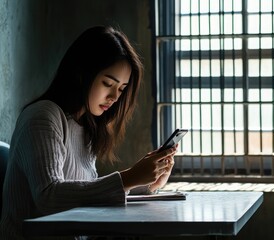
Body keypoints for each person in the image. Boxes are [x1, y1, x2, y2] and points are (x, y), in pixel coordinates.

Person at [0, 26, 177, 239]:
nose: (114, 97)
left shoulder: (86, 126)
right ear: (81, 72)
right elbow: (48, 197)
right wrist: (129, 177)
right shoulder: (42, 117)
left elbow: (85, 192)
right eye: (107, 83)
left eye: (121, 89)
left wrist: (146, 183)